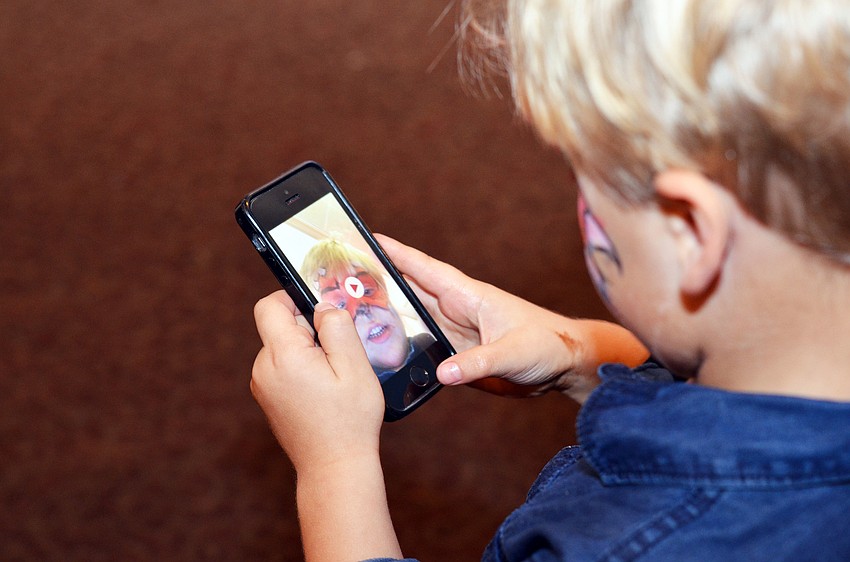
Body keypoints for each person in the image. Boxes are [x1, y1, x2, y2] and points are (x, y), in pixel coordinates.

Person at [248, 0, 850, 560]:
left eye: (581, 175)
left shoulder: (626, 542)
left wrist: (335, 468)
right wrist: (580, 358)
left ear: (690, 231)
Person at [300, 238, 436, 381]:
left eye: (367, 291)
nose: (364, 309)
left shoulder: (429, 346)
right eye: (341, 306)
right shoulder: (356, 393)